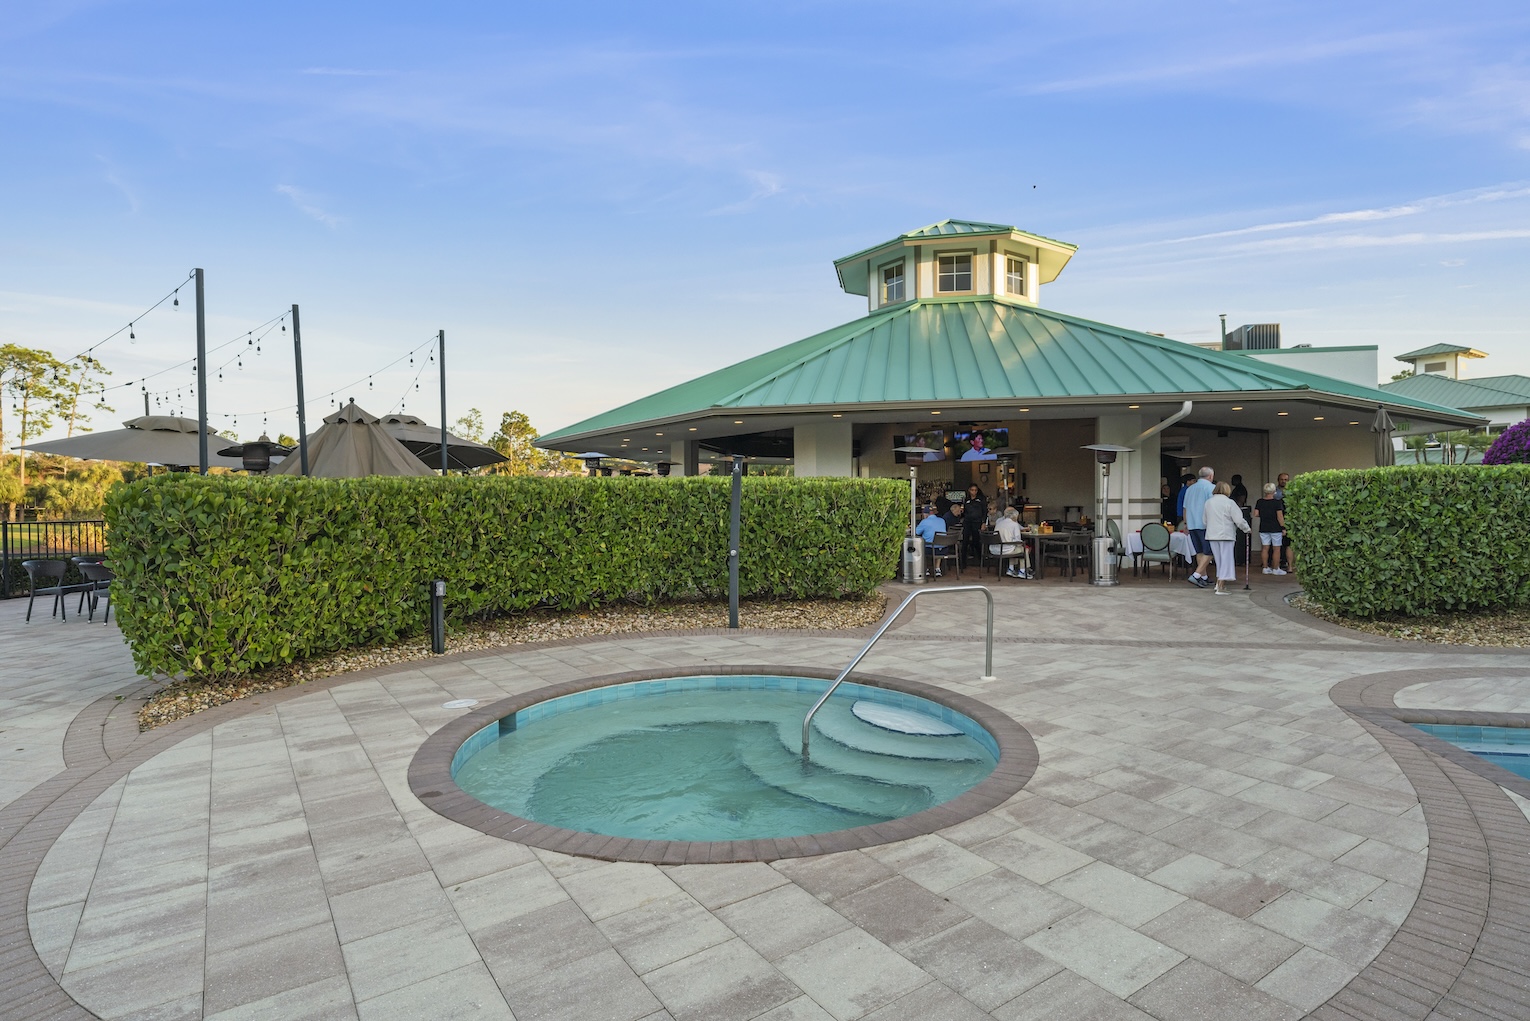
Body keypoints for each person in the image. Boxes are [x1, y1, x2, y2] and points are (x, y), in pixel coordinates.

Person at [1204, 481, 1251, 595]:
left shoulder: (1208, 502)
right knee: (1226, 560)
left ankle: (1218, 583)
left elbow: (1205, 520)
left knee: (1219, 560)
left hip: (1212, 534)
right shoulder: (1229, 502)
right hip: (1226, 535)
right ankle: (1221, 586)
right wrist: (1246, 529)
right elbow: (1238, 519)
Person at [1182, 467, 1215, 588]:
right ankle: (1196, 575)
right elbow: (1213, 506)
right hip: (1205, 524)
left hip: (1192, 523)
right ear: (1210, 476)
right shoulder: (1211, 488)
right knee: (1210, 551)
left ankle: (1204, 576)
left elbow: (1185, 507)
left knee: (1199, 551)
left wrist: (1185, 524)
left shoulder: (1189, 489)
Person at [1254, 483, 1286, 575]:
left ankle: (1265, 567)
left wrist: (1264, 514)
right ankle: (1276, 568)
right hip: (1275, 528)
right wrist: (1283, 527)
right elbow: (1280, 516)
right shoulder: (1277, 502)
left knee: (1265, 548)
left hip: (1263, 527)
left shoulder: (1260, 501)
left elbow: (1256, 514)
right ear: (1274, 491)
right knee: (1276, 549)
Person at [990, 506, 1031, 578]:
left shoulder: (999, 523)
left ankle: (1011, 569)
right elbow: (1018, 540)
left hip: (995, 549)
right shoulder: (1014, 524)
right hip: (1005, 549)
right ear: (1014, 516)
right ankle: (1022, 571)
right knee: (1024, 549)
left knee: (1015, 548)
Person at [960, 484, 988, 565]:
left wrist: (983, 523)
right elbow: (964, 511)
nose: (974, 492)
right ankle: (963, 562)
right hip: (967, 522)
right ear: (969, 490)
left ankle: (981, 560)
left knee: (976, 541)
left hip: (977, 522)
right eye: (972, 490)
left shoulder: (981, 499)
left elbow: (984, 512)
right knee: (965, 541)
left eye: (975, 490)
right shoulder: (966, 499)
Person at [1274, 472, 1293, 572]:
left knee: (1288, 543)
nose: (1284, 481)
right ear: (1278, 480)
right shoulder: (1274, 491)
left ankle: (1288, 564)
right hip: (1277, 519)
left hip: (1289, 519)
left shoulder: (1293, 491)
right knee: (1277, 542)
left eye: (1286, 480)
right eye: (1282, 479)